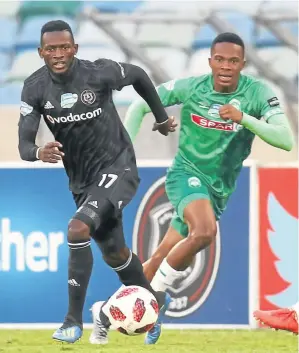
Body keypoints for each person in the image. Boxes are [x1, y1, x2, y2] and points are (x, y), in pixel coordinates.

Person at [90, 32, 294, 345]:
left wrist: (245, 119)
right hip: (187, 175)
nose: (226, 66)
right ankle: (157, 296)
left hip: (219, 189)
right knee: (204, 232)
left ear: (243, 64)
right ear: (210, 60)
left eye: (233, 61)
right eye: (220, 59)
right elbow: (139, 106)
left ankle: (104, 312)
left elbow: (285, 139)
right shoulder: (191, 87)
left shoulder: (257, 93)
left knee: (161, 255)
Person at [18, 20, 177, 344]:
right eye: (51, 49)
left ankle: (72, 321)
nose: (59, 54)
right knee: (116, 255)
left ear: (75, 49)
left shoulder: (98, 73)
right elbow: (23, 146)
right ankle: (154, 307)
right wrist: (38, 151)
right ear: (41, 52)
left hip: (118, 167)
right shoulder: (34, 88)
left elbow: (138, 75)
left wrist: (160, 118)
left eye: (65, 47)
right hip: (82, 181)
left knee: (78, 229)